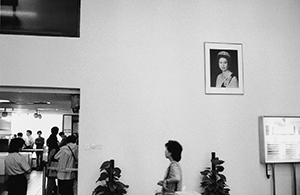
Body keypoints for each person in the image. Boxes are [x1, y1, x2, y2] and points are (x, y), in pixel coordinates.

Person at [46, 126, 59, 195]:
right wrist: (49, 162)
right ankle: (49, 192)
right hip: (53, 161)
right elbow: (52, 151)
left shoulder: (50, 138)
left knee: (51, 178)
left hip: (51, 160)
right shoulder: (53, 139)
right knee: (51, 178)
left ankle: (51, 191)